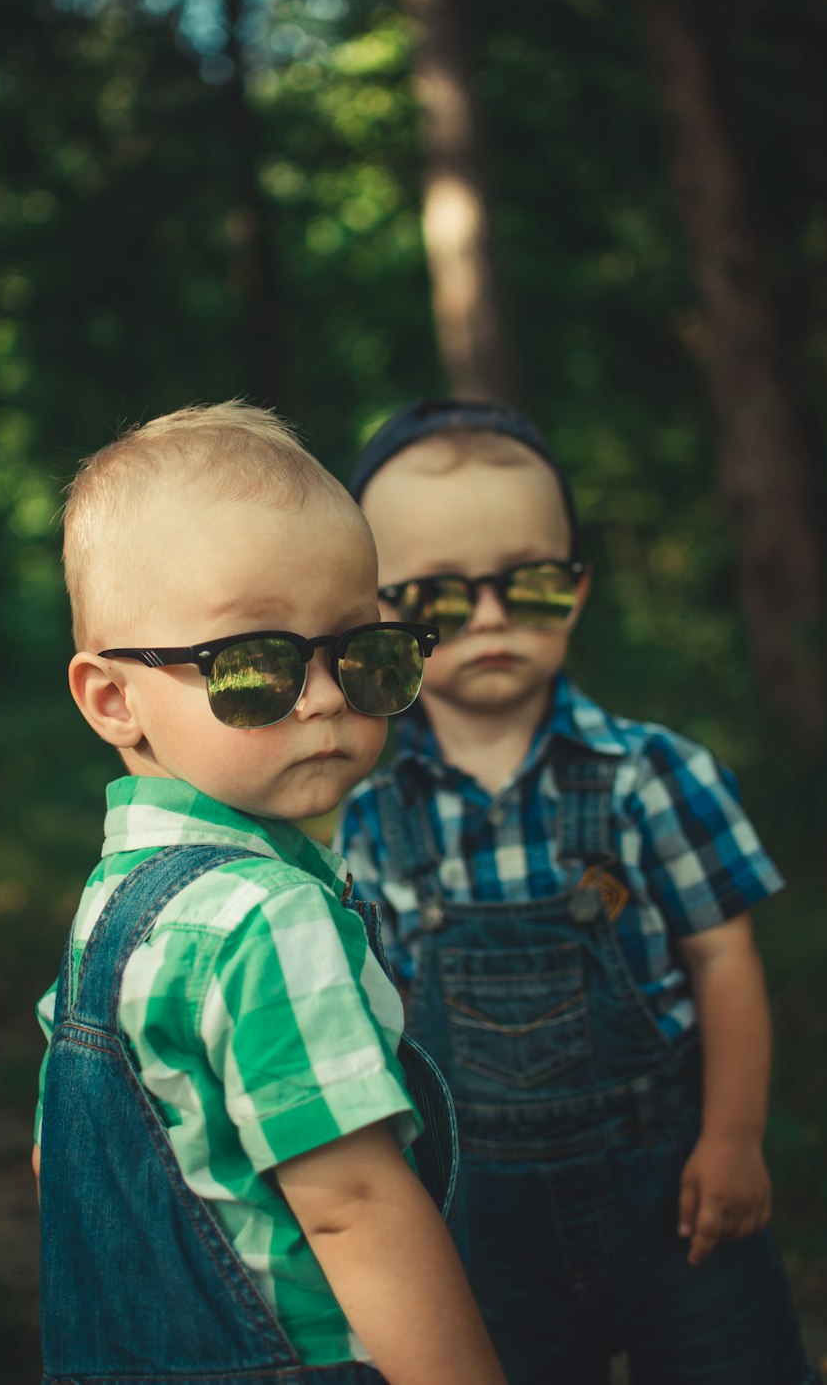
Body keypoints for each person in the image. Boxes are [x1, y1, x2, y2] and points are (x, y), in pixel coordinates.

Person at [336, 397, 819, 1385]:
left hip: (674, 1203)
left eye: (531, 586)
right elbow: (366, 1020)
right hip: (478, 1225)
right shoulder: (365, 813)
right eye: (439, 598)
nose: (491, 618)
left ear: (577, 590)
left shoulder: (653, 773)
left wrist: (732, 1140)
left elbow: (722, 958)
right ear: (385, 616)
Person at [31, 402, 508, 1385]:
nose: (327, 695)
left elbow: (66, 1169)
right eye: (254, 665)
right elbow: (354, 1206)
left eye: (361, 652)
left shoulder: (112, 910)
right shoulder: (267, 919)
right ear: (114, 699)